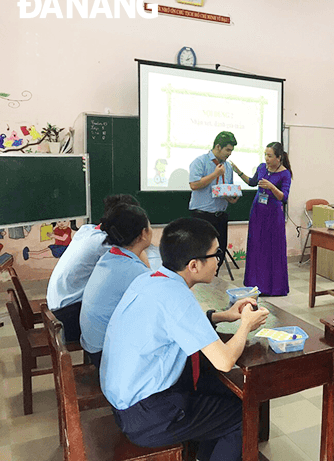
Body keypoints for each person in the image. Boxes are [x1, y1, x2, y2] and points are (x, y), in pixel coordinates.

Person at [100, 217, 269, 461]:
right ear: (193, 265)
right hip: (146, 416)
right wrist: (245, 325)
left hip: (126, 402)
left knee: (218, 388)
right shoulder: (177, 297)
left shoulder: (151, 279)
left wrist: (226, 315)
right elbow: (224, 361)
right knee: (241, 415)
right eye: (215, 255)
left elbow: (177, 323)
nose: (218, 261)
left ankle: (209, 454)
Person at [46, 194, 140, 342]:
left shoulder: (87, 230)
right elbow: (139, 263)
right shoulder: (103, 243)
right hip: (66, 317)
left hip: (55, 307)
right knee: (123, 313)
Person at [79, 204, 153, 368]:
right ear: (143, 233)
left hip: (92, 345)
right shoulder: (134, 271)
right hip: (105, 355)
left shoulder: (111, 256)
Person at [233, 142, 292, 296]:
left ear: (279, 158)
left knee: (271, 249)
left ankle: (272, 287)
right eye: (265, 154)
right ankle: (255, 283)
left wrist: (271, 187)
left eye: (270, 155)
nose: (266, 158)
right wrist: (238, 171)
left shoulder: (285, 173)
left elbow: (283, 197)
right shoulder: (261, 168)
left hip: (273, 216)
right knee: (256, 246)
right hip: (258, 212)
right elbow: (252, 182)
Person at [189, 131, 239, 261]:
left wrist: (232, 197)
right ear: (218, 147)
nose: (229, 153)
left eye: (231, 151)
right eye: (227, 150)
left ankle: (215, 276)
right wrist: (215, 174)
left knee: (219, 254)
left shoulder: (227, 166)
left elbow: (226, 189)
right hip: (202, 216)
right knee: (201, 253)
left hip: (220, 216)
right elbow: (194, 185)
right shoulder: (200, 162)